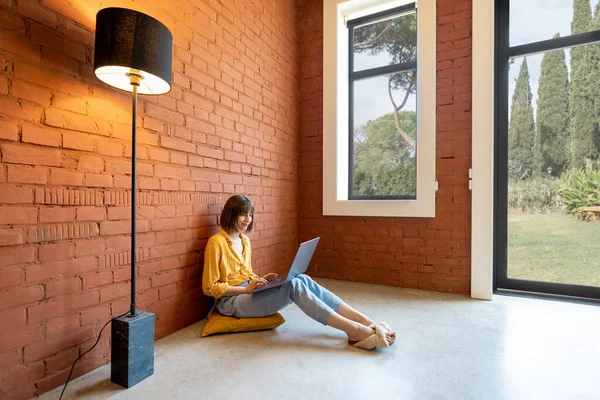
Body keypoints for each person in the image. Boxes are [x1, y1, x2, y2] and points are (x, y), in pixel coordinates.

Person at [202, 194, 396, 350]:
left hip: (248, 291)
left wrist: (260, 281)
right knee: (294, 286)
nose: (248, 219)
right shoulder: (216, 242)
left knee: (302, 278)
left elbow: (246, 274)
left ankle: (363, 320)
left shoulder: (245, 241)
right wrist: (245, 290)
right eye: (243, 214)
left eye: (250, 214)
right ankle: (353, 331)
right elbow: (210, 288)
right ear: (231, 214)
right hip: (231, 301)